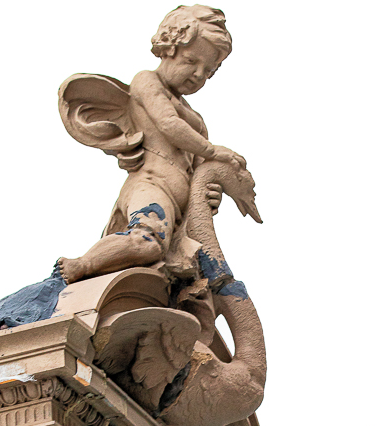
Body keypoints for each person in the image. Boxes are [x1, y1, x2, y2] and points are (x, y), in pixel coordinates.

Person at [59, 6, 241, 284]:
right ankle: (81, 265)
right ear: (169, 47)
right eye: (191, 61)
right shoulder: (147, 81)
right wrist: (212, 150)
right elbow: (168, 123)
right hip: (151, 187)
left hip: (180, 216)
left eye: (208, 70)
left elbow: (200, 173)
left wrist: (210, 195)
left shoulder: (197, 122)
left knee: (191, 279)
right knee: (147, 242)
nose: (198, 74)